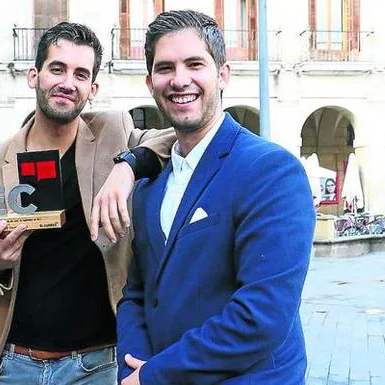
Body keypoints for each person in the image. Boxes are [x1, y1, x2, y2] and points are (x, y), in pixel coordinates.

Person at [0, 22, 175, 385]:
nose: (67, 82)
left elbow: (176, 137)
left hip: (99, 364)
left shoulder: (113, 133)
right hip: (14, 365)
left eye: (80, 74)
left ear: (93, 88)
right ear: (33, 75)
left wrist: (129, 166)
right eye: (57, 69)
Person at [117, 10, 315, 385]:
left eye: (195, 64)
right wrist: (131, 366)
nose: (179, 80)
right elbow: (137, 293)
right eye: (165, 68)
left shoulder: (271, 170)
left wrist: (155, 375)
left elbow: (262, 316)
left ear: (223, 74)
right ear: (150, 81)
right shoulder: (149, 185)